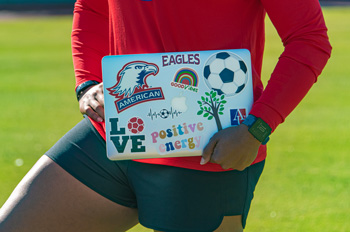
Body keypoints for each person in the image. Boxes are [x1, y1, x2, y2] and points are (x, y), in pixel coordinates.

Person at [0, 0, 331, 231]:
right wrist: (86, 82)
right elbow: (92, 8)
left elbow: (309, 38)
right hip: (115, 136)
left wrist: (257, 128)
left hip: (208, 151)